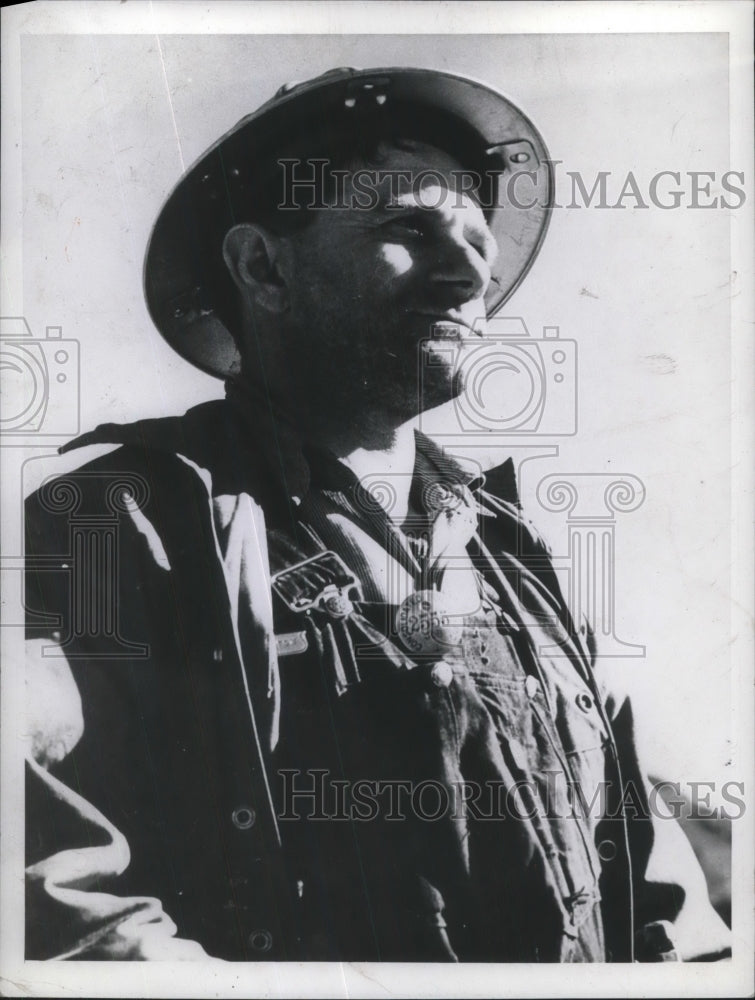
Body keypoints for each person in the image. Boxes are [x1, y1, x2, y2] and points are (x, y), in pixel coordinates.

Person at [23, 66, 731, 963]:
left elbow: (660, 904)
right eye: (408, 226)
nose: (473, 269)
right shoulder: (108, 525)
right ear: (262, 266)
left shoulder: (520, 561)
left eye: (479, 239)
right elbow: (55, 894)